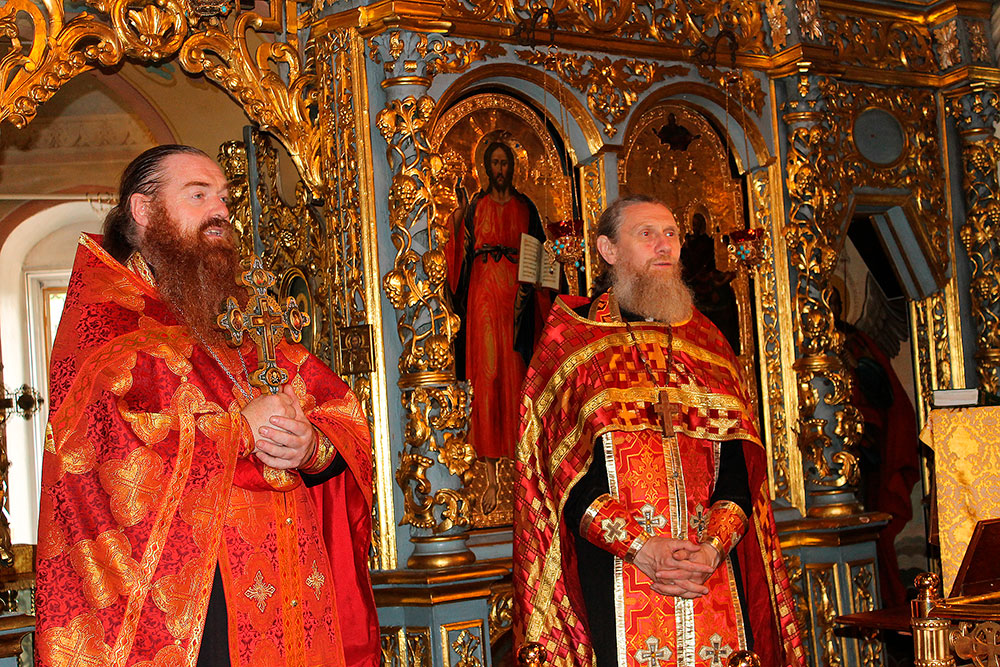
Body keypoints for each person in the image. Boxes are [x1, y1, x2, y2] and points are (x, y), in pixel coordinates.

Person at [35, 145, 379, 666]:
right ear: (144, 210)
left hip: (293, 585)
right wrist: (240, 431)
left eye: (223, 198)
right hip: (196, 606)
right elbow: (108, 451)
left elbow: (336, 408)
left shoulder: (239, 313)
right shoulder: (107, 320)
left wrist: (312, 446)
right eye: (198, 195)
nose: (220, 210)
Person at [512, 195, 805, 666]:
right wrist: (642, 548)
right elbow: (560, 475)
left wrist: (712, 549)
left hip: (710, 575)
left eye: (671, 234)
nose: (664, 245)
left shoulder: (708, 344)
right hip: (614, 573)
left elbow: (740, 467)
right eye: (646, 234)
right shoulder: (574, 342)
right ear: (608, 250)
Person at [446, 140, 550, 463]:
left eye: (505, 163)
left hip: (518, 297)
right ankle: (487, 455)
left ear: (513, 167)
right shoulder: (477, 206)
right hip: (484, 293)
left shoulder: (525, 206)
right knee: (487, 368)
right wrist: (458, 215)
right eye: (495, 163)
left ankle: (520, 453)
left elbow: (540, 252)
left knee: (515, 368)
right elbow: (459, 250)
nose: (500, 169)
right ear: (486, 168)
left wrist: (539, 284)